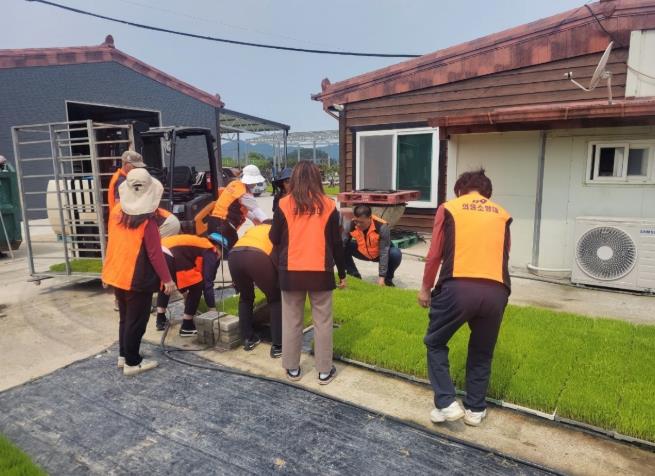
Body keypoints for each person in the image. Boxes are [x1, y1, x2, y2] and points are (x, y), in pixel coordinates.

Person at [418, 169, 512, 427]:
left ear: (460, 190)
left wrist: (425, 288)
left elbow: (434, 254)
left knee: (435, 342)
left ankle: (446, 402)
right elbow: (505, 253)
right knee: (482, 351)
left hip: (458, 287)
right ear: (487, 193)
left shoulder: (450, 208)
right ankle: (475, 409)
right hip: (497, 291)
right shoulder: (502, 214)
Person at [269, 161, 346, 385]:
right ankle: (324, 371)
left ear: (294, 179)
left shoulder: (284, 204)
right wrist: (342, 273)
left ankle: (292, 368)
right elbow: (337, 243)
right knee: (323, 322)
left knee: (292, 321)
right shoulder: (329, 205)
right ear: (317, 179)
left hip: (290, 271)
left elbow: (273, 238)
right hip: (320, 272)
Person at [102, 168, 176, 377]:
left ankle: (123, 355)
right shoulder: (147, 222)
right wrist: (167, 280)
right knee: (137, 321)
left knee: (125, 318)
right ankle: (132, 362)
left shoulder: (116, 212)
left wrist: (105, 271)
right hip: (137, 277)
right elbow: (155, 254)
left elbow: (112, 243)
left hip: (117, 273)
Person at [228, 222, 282, 357]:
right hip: (257, 256)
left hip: (234, 256)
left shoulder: (253, 229)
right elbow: (278, 256)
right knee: (275, 299)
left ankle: (248, 338)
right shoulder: (274, 230)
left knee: (245, 297)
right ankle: (278, 345)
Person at [154, 233, 224, 335]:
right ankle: (187, 326)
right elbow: (207, 283)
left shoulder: (199, 244)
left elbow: (180, 275)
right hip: (170, 253)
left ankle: (160, 320)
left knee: (166, 282)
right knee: (197, 285)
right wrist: (212, 308)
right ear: (218, 247)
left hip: (158, 249)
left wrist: (184, 293)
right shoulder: (210, 250)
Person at [207, 164, 268, 250]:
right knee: (233, 253)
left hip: (213, 223)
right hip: (224, 227)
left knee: (215, 254)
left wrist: (254, 219)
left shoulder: (234, 184)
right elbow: (257, 210)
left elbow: (243, 210)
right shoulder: (244, 194)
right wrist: (269, 224)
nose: (255, 184)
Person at [344, 204, 402, 287]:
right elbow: (341, 245)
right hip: (363, 252)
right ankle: (354, 275)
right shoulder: (351, 225)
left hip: (379, 254)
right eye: (356, 221)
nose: (358, 224)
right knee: (341, 247)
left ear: (370, 218)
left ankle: (387, 280)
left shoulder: (382, 227)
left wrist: (382, 277)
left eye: (361, 222)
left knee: (395, 253)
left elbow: (384, 252)